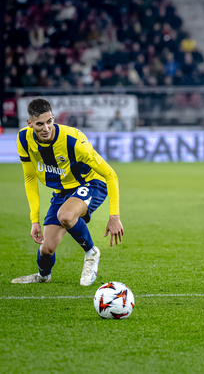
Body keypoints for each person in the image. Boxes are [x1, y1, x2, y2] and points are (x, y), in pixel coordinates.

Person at [12, 99, 124, 286]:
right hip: (62, 191)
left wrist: (114, 215)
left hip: (91, 183)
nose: (46, 128)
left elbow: (110, 175)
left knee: (65, 215)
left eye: (49, 121)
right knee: (46, 249)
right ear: (29, 124)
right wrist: (34, 220)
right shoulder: (23, 139)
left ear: (53, 117)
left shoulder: (74, 142)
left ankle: (91, 252)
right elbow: (30, 178)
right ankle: (43, 276)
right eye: (40, 124)